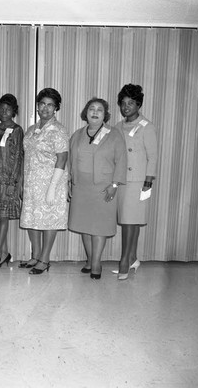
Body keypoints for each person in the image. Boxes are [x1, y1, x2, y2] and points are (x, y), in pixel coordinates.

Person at [68, 97, 127, 279]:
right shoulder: (77, 134)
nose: (95, 112)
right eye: (91, 109)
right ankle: (89, 259)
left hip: (104, 187)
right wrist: (69, 182)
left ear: (105, 115)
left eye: (99, 109)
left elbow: (122, 161)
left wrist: (115, 184)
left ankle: (96, 263)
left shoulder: (114, 134)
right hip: (81, 187)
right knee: (84, 225)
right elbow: (71, 161)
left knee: (99, 227)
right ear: (86, 112)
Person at [20, 88, 69, 275]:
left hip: (50, 183)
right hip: (32, 183)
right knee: (32, 218)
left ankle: (45, 259)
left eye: (50, 105)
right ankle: (36, 255)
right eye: (42, 104)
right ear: (37, 106)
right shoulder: (32, 129)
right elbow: (27, 157)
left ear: (56, 108)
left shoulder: (58, 130)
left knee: (49, 221)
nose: (45, 108)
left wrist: (53, 188)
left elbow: (62, 159)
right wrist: (23, 182)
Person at [113, 84, 158, 280]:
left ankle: (124, 260)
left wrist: (148, 181)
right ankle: (132, 258)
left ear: (138, 104)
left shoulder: (147, 126)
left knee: (131, 221)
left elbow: (153, 156)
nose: (126, 107)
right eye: (123, 103)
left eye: (130, 103)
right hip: (121, 180)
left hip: (138, 181)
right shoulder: (117, 127)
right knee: (129, 222)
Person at [0, 94, 24, 273]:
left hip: (8, 180)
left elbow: (18, 158)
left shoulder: (17, 130)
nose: (4, 112)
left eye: (8, 109)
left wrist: (13, 182)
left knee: (3, 217)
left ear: (14, 111)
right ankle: (5, 252)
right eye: (1, 108)